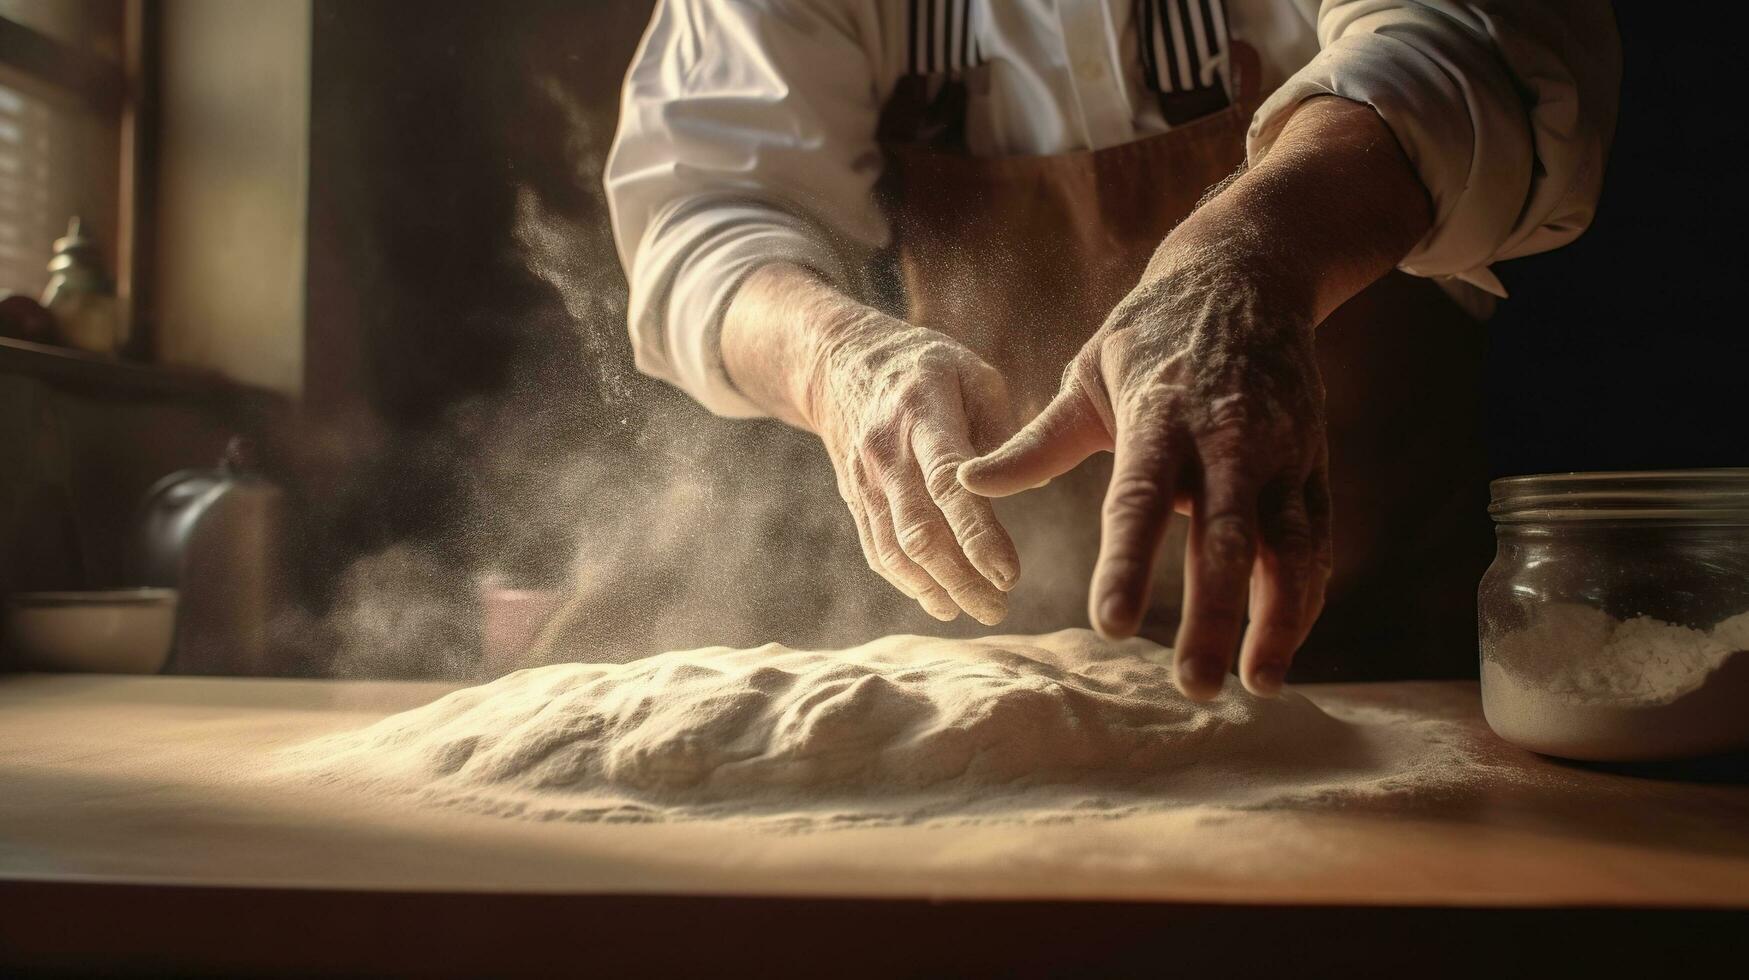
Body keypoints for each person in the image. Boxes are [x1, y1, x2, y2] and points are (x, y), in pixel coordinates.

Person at [604, 0, 1619, 699]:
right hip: (997, 686)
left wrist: (1250, 254)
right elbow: (702, 205)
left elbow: (1475, 49)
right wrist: (834, 356)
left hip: (1394, 660)